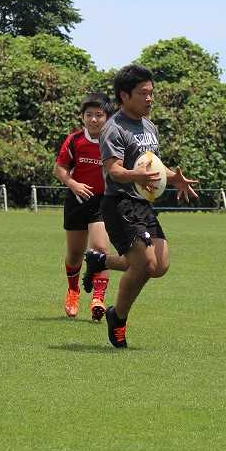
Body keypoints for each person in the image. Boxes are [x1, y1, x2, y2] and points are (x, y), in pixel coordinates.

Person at [81, 64, 198, 348]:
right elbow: (114, 170)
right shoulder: (113, 128)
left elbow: (152, 166)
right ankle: (118, 318)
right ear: (124, 95)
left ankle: (100, 261)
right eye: (143, 93)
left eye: (151, 93)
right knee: (144, 264)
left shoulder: (149, 127)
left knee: (160, 266)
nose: (150, 98)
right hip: (120, 204)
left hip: (143, 204)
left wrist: (174, 179)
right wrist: (137, 175)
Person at [54, 92, 114, 321]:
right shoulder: (75, 140)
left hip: (103, 202)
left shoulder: (115, 141)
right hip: (77, 201)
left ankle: (98, 298)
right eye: (89, 115)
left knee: (101, 249)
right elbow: (60, 169)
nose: (94, 119)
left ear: (108, 117)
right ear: (83, 117)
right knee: (75, 254)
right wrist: (73, 184)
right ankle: (73, 291)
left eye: (99, 115)